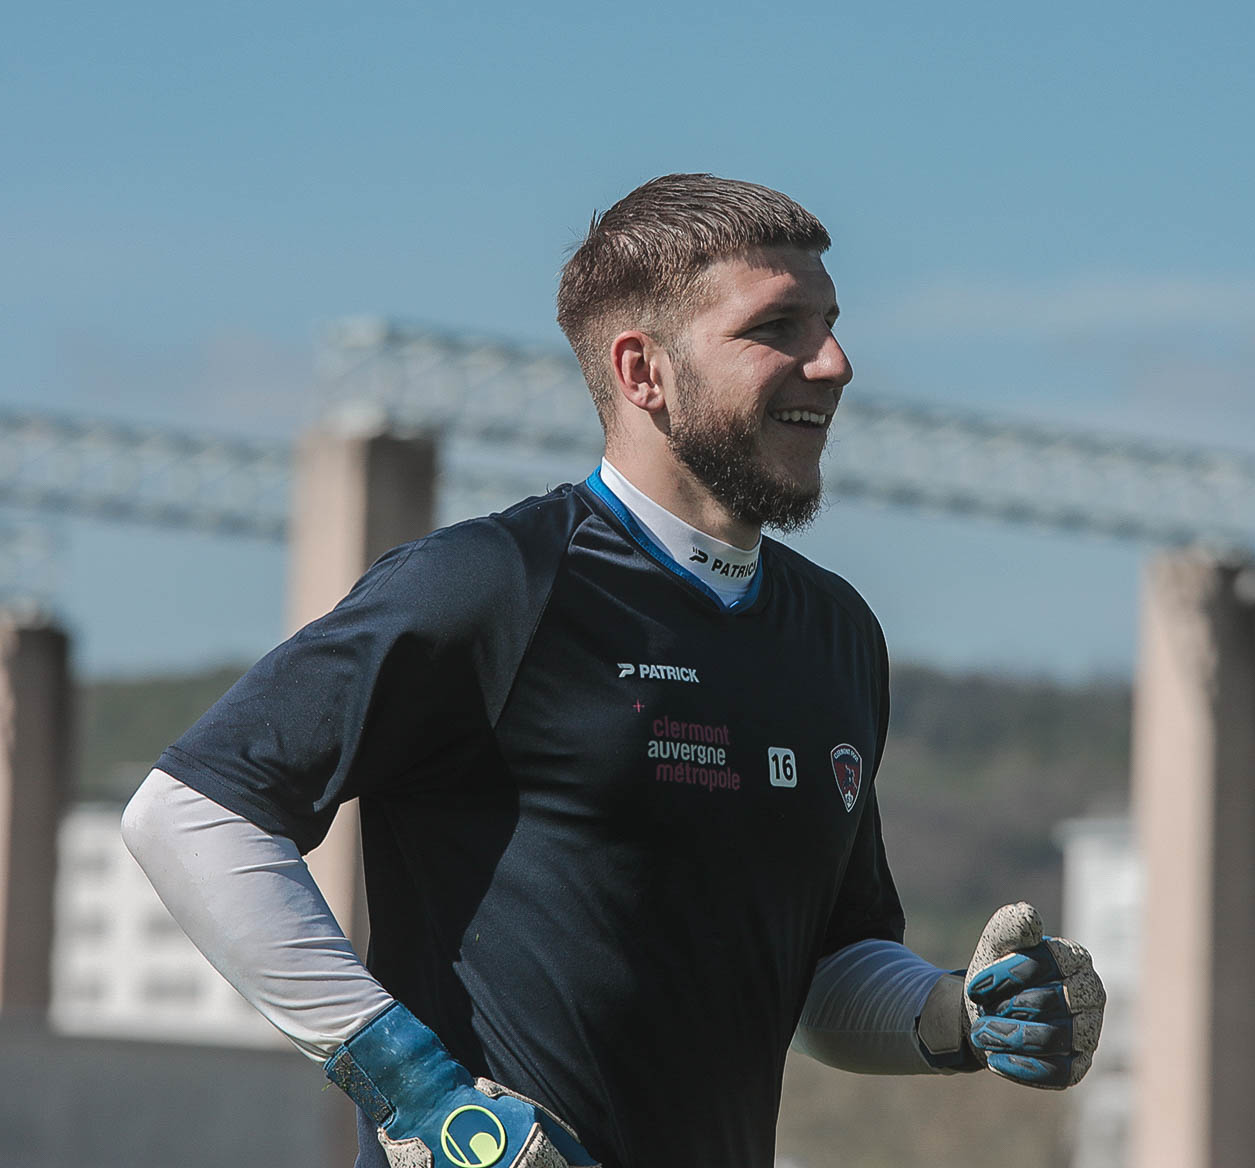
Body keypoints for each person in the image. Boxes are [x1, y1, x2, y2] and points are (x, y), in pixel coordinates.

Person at [122, 174, 1104, 1168]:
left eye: (832, 323)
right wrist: (414, 1090)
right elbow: (191, 813)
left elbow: (823, 974)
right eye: (780, 327)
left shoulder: (835, 632)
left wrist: (958, 1015)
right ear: (643, 371)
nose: (836, 363)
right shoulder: (493, 583)